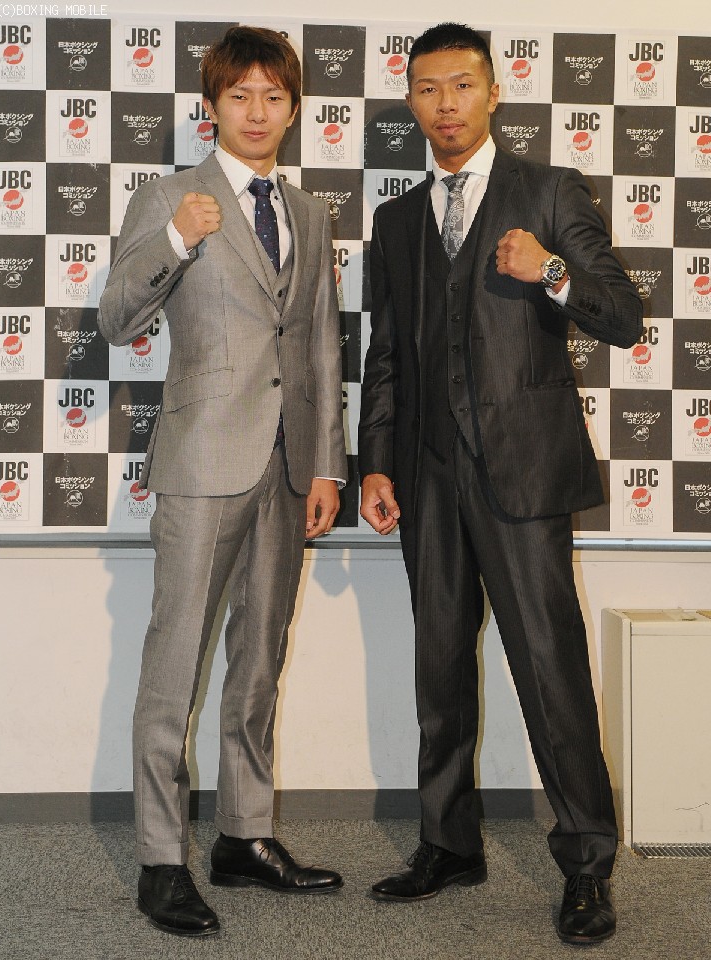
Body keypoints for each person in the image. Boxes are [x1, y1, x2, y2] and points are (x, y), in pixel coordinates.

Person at [358, 22, 642, 945]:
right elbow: (386, 355)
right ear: (411, 100)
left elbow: (624, 315)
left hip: (523, 473)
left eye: (462, 85)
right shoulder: (397, 220)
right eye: (428, 88)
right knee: (438, 669)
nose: (445, 104)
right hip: (427, 477)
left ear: (492, 92)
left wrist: (550, 269)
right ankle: (449, 843)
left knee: (552, 673)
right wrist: (375, 461)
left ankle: (587, 865)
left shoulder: (549, 191)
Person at [98, 26, 346, 938]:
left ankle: (244, 836)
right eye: (239, 96)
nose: (257, 112)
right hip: (203, 460)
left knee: (258, 663)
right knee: (175, 668)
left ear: (293, 108)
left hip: (288, 465)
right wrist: (175, 238)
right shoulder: (171, 197)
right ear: (212, 106)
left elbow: (320, 344)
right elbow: (116, 318)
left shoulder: (308, 212)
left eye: (273, 97)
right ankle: (162, 860)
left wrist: (327, 465)